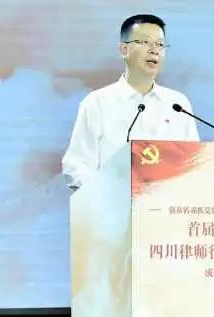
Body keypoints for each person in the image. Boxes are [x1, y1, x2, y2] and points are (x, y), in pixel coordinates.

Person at [61, 14, 199, 189]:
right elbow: (76, 165)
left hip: (166, 203)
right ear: (124, 49)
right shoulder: (97, 103)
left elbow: (194, 164)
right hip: (112, 203)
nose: (154, 50)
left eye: (160, 44)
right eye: (145, 42)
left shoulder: (178, 104)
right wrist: (106, 191)